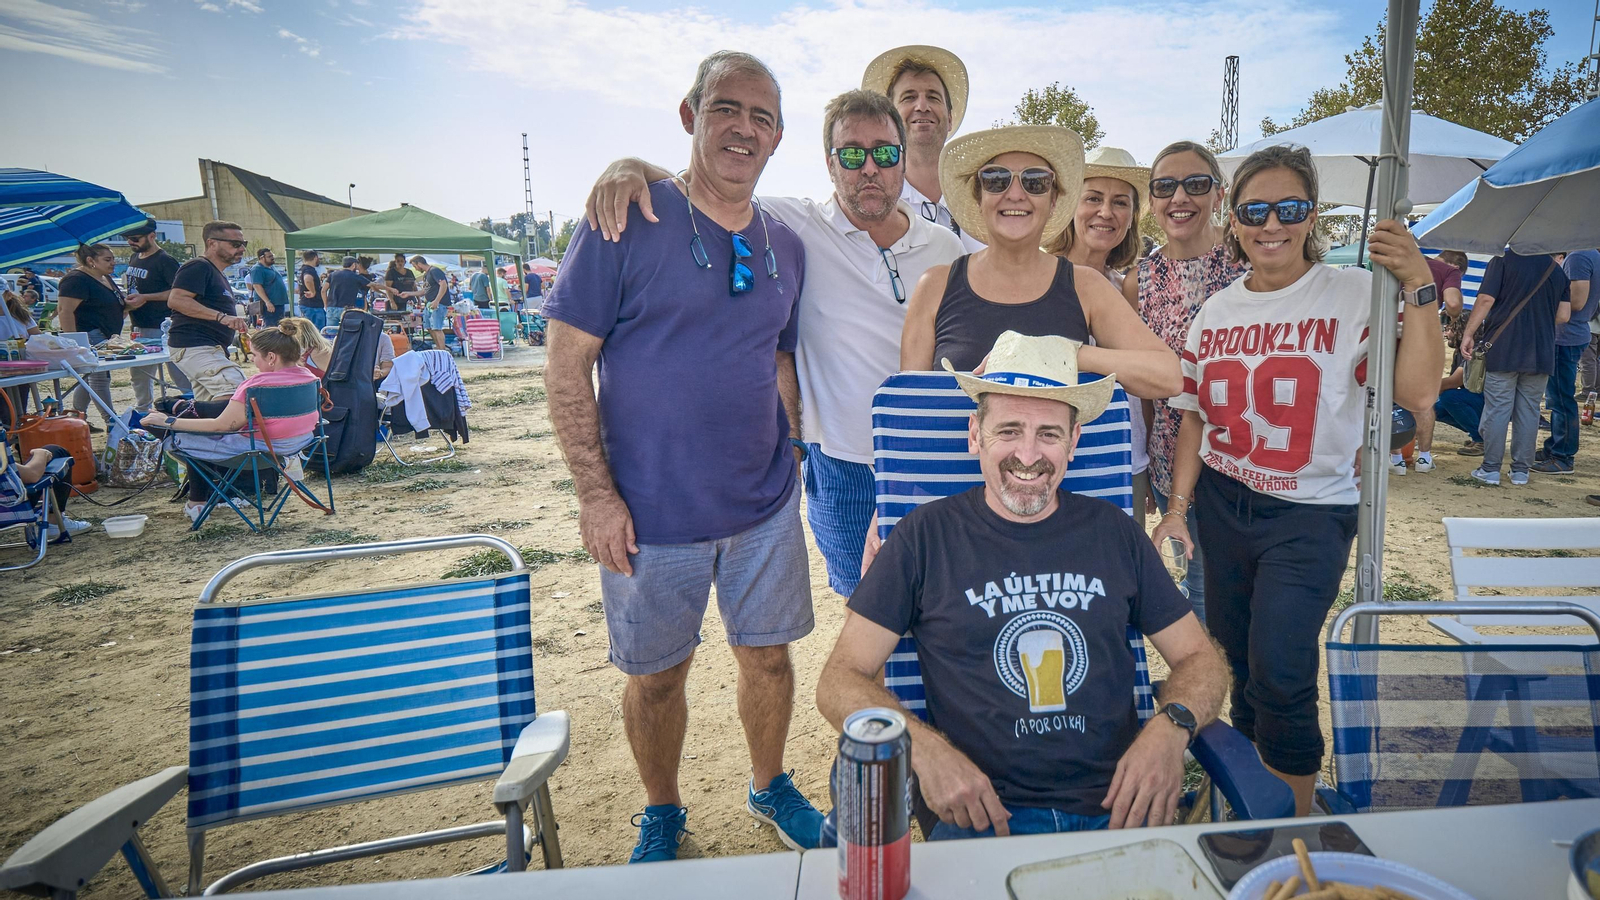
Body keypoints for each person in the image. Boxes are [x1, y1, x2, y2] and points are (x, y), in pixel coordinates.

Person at [542, 50, 823, 863]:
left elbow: (779, 355)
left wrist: (793, 444)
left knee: (768, 661)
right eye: (726, 108)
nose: (744, 129)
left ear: (778, 137)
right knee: (658, 676)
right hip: (648, 511)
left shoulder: (785, 243)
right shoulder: (624, 220)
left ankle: (769, 784)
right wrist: (597, 497)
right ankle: (661, 810)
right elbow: (565, 364)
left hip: (764, 506)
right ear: (690, 115)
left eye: (762, 117)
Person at [817, 331, 1227, 839]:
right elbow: (839, 680)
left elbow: (1201, 659)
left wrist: (1171, 728)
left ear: (1074, 442)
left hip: (1118, 810)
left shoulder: (1114, 533)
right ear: (976, 435)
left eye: (1049, 434)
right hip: (984, 818)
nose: (1028, 455)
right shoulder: (923, 537)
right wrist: (923, 749)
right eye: (1009, 430)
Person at [579, 89, 965, 598]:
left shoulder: (945, 247)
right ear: (830, 163)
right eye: (852, 155)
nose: (869, 168)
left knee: (942, 601)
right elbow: (710, 188)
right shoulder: (793, 226)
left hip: (929, 457)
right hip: (841, 470)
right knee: (867, 608)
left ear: (902, 158)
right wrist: (634, 167)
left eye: (885, 153)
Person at [1150, 145, 1442, 816]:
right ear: (1234, 218)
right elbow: (1194, 417)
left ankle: (1293, 826)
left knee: (1281, 669)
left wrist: (1419, 285)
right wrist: (1179, 507)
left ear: (1312, 215)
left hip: (1312, 510)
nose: (1272, 224)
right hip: (1223, 504)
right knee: (1238, 663)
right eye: (1255, 210)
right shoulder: (1215, 311)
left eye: (1290, 208)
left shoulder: (1354, 292)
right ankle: (1255, 799)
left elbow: (1419, 391)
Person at [898, 126, 1178, 396]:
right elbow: (908, 407)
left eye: (1035, 181)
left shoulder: (1084, 286)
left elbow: (1167, 375)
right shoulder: (935, 286)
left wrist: (1068, 353)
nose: (1015, 194)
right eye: (996, 179)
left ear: (1054, 200)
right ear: (979, 197)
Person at [1128, 141, 1248, 624]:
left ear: (1219, 194)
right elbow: (1142, 382)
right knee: (1199, 590)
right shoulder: (1140, 279)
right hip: (1170, 459)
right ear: (1152, 200)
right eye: (1165, 187)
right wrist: (1150, 464)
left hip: (1245, 458)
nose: (1179, 197)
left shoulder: (1250, 264)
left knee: (1241, 591)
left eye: (1195, 184)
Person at [1046, 145, 1153, 517]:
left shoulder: (1128, 288)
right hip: (1051, 459)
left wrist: (1147, 460)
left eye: (1120, 202)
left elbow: (1144, 386)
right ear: (1069, 206)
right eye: (1093, 198)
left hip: (1123, 456)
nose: (1106, 212)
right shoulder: (1038, 278)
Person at [140, 323, 319, 523]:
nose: (252, 360)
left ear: (271, 357)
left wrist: (169, 421)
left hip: (256, 452)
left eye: (254, 355)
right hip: (298, 446)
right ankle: (198, 499)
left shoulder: (256, 385)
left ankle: (197, 502)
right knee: (199, 428)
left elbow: (221, 426)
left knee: (165, 429)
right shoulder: (310, 378)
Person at [1458, 249, 1571, 485]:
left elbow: (1485, 299)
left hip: (1504, 346)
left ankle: (1490, 468)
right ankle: (1520, 471)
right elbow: (1563, 315)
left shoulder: (1502, 261)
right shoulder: (1556, 270)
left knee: (1498, 408)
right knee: (1529, 410)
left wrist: (1468, 333)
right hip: (1541, 350)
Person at [862, 45, 985, 252]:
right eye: (909, 97)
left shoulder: (984, 198)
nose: (922, 106)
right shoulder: (871, 205)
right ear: (889, 120)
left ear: (950, 119)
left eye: (933, 97)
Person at [58, 243, 144, 427]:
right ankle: (112, 421)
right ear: (91, 260)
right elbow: (64, 311)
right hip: (90, 336)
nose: (113, 263)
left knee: (88, 379)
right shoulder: (76, 280)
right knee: (99, 379)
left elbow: (112, 306)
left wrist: (129, 306)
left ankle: (77, 418)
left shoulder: (104, 277)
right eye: (107, 259)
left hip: (107, 336)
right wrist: (74, 342)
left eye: (113, 259)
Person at [167, 221, 251, 401]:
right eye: (235, 244)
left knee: (209, 406)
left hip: (209, 347)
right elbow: (177, 300)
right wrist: (221, 317)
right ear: (212, 243)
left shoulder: (216, 272)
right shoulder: (198, 266)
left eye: (244, 243)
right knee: (237, 392)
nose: (242, 249)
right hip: (196, 345)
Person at [1534, 247, 1597, 473]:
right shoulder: (1589, 254)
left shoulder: (1579, 256)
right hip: (1570, 334)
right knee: (1558, 398)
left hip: (1566, 336)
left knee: (1560, 399)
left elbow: (1577, 302)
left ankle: (1562, 456)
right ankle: (1555, 447)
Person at [1409, 250, 1474, 464]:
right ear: (1456, 268)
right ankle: (1423, 457)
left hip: (1385, 332)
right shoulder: (1448, 272)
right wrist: (1454, 316)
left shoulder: (1405, 260)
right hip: (1417, 336)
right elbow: (1453, 304)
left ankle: (1394, 455)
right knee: (1422, 400)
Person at [123, 219, 193, 411]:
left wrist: (146, 297)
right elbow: (133, 286)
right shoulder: (134, 257)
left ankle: (191, 405)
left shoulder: (165, 261)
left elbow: (178, 292)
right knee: (139, 373)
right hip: (139, 324)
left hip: (163, 325)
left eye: (135, 238)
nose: (131, 242)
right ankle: (143, 410)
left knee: (178, 371)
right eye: (128, 239)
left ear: (152, 236)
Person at [1, 439, 90, 540]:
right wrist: (40, 454)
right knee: (56, 451)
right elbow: (32, 475)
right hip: (11, 507)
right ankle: (54, 522)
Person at [412, 255, 450, 352]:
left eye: (415, 266)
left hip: (439, 304)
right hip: (429, 304)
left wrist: (437, 301)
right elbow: (424, 291)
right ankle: (439, 347)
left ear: (419, 264)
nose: (415, 269)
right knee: (429, 327)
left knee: (437, 328)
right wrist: (408, 293)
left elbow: (443, 284)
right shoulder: (426, 275)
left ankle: (442, 350)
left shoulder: (434, 271)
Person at [247, 248, 289, 328]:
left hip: (278, 303)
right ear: (262, 258)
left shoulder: (271, 267)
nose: (272, 258)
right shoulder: (257, 269)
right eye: (269, 256)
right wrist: (267, 302)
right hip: (270, 305)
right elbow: (257, 286)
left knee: (278, 327)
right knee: (271, 328)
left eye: (272, 256)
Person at [325, 256, 367, 328]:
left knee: (330, 331)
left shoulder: (333, 275)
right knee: (349, 331)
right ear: (353, 265)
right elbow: (371, 284)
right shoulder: (355, 276)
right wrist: (386, 289)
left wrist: (326, 304)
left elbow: (323, 290)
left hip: (332, 307)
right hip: (347, 308)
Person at [298, 251, 325, 329]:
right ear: (315, 258)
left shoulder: (302, 269)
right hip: (313, 305)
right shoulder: (309, 270)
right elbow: (307, 279)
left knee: (307, 330)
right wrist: (313, 292)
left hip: (305, 303)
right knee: (316, 331)